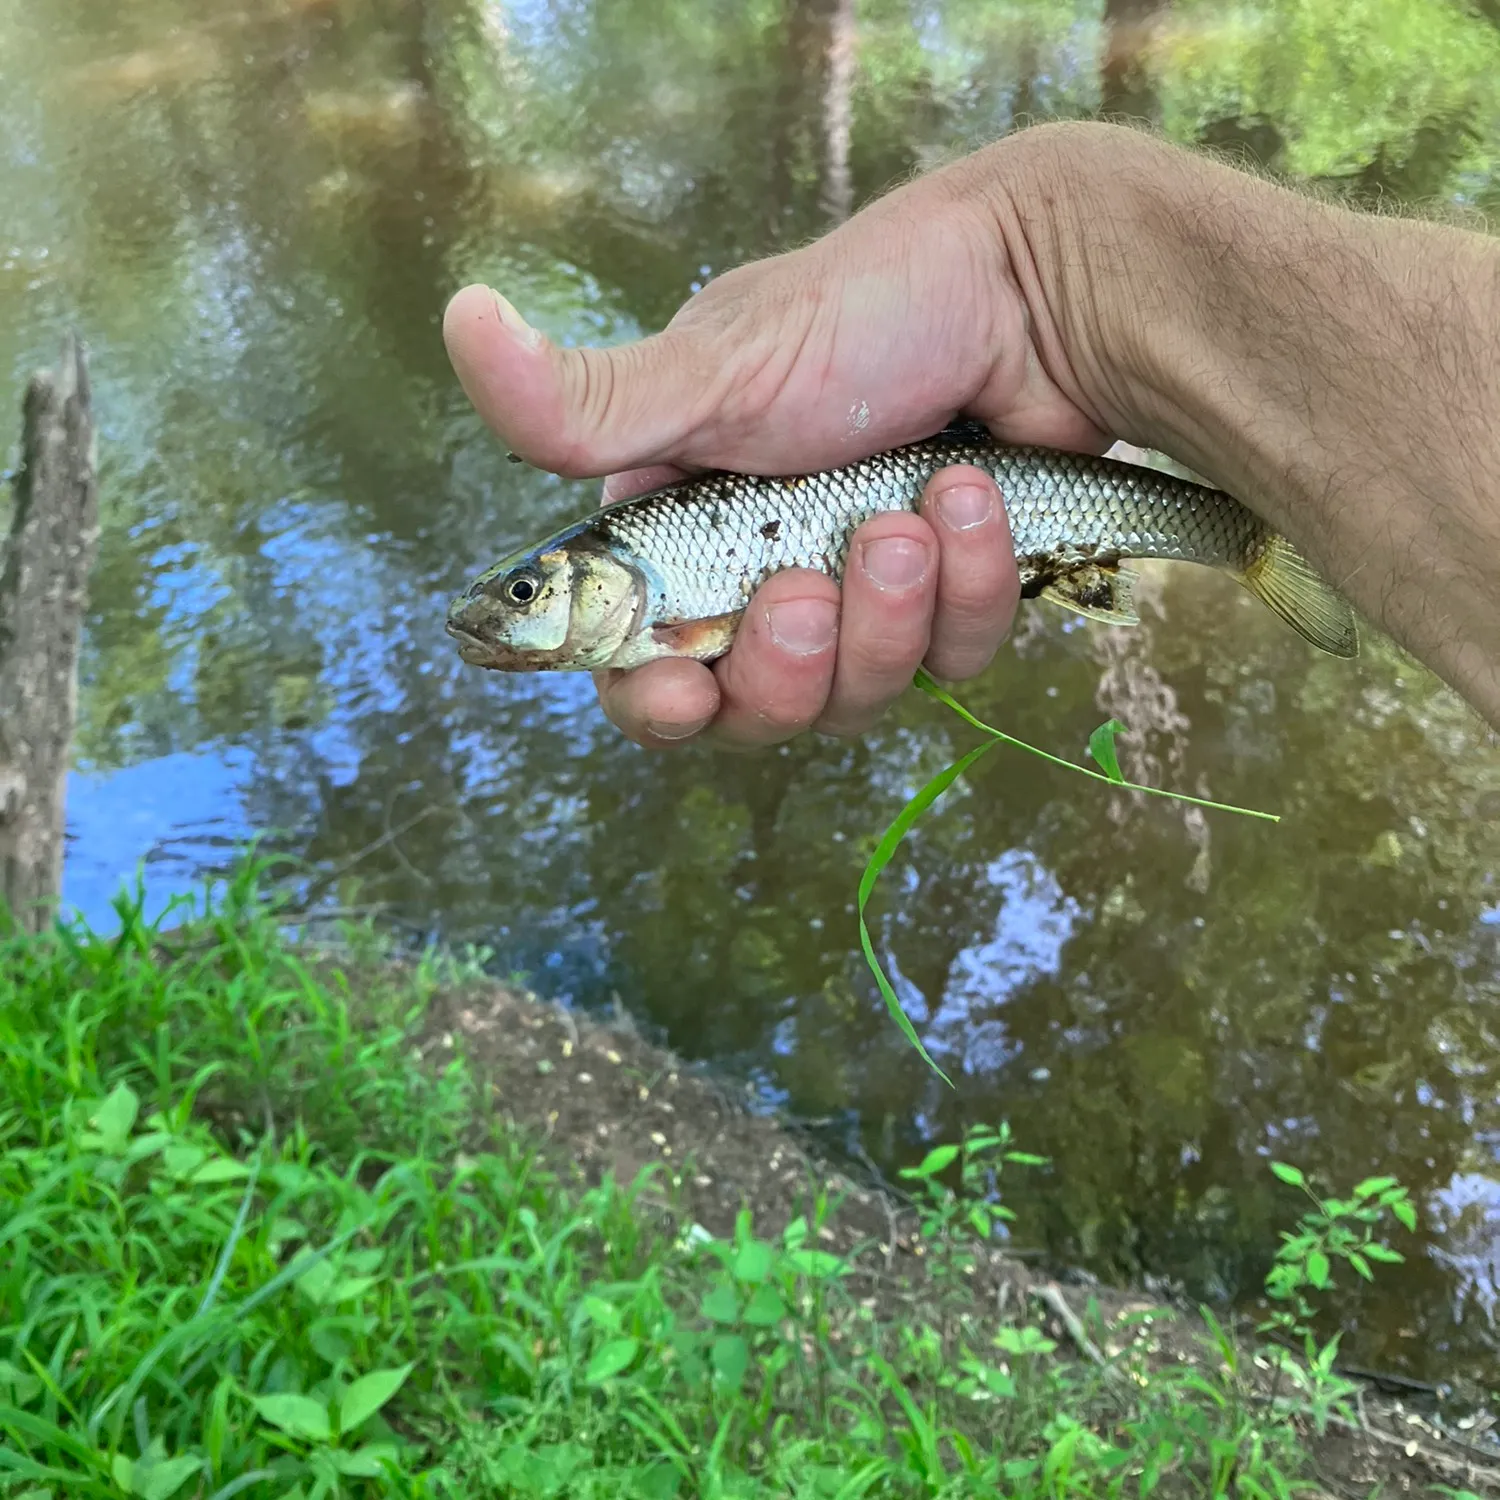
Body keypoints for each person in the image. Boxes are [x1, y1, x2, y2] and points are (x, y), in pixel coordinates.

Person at [443, 121, 1500, 742]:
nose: (507, 609)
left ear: (595, 588)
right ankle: (1220, 536)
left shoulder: (664, 614)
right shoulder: (652, 605)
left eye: (526, 591)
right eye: (521, 594)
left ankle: (1242, 538)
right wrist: (1036, 268)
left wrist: (1037, 262)